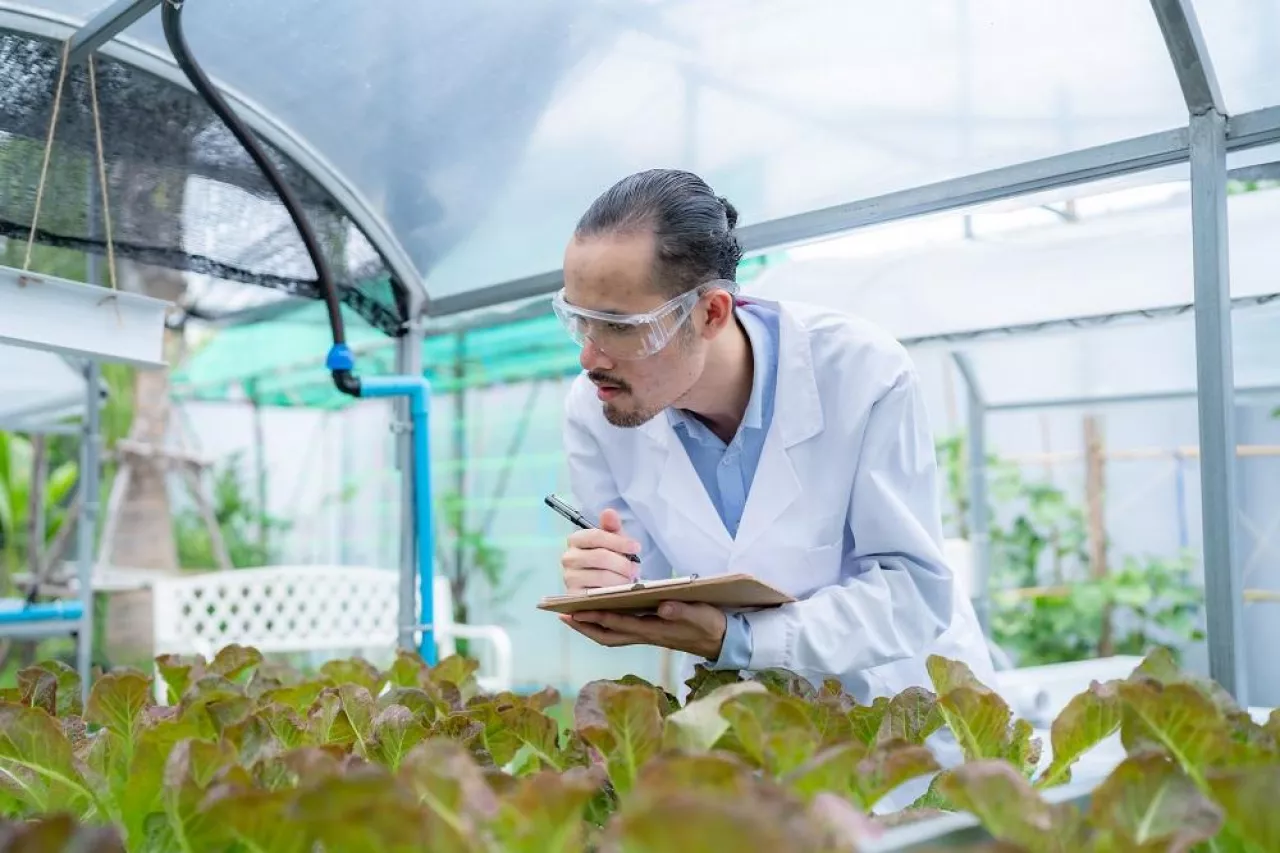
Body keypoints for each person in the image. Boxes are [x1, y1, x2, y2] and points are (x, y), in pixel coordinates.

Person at [553, 168, 995, 706]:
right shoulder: (597, 407)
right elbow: (641, 574)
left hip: (902, 704)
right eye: (580, 322)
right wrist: (605, 576)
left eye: (620, 327)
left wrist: (739, 639)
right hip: (746, 713)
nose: (589, 357)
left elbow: (912, 593)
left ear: (711, 312)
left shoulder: (862, 373)